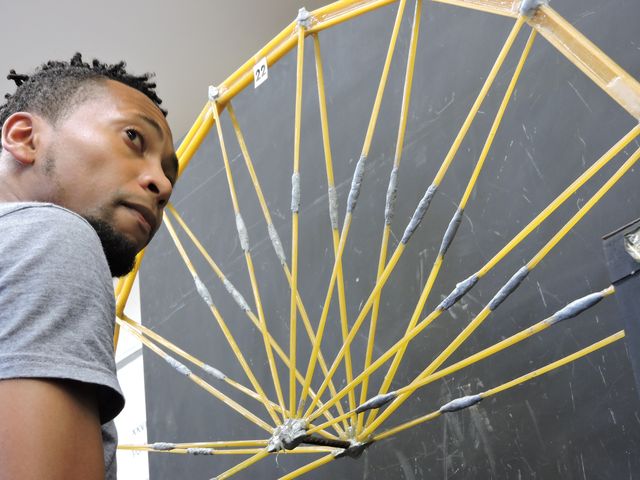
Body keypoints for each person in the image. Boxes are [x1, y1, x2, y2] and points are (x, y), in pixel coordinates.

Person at [0, 53, 178, 479]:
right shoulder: (53, 236)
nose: (163, 185)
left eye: (169, 174)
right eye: (133, 137)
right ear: (24, 138)